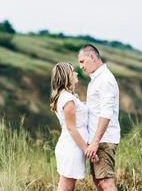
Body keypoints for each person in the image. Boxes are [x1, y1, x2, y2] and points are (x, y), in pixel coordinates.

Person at [78, 44, 120, 191]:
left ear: (92, 57)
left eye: (82, 61)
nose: (81, 66)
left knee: (106, 183)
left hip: (103, 140)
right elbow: (95, 108)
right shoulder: (96, 79)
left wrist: (95, 142)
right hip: (97, 140)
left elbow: (106, 113)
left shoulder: (105, 80)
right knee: (98, 182)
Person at [50, 62, 97, 191]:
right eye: (73, 71)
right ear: (66, 76)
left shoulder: (67, 97)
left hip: (71, 145)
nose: (76, 73)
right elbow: (71, 128)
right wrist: (86, 149)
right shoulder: (67, 99)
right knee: (66, 187)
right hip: (71, 147)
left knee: (66, 186)